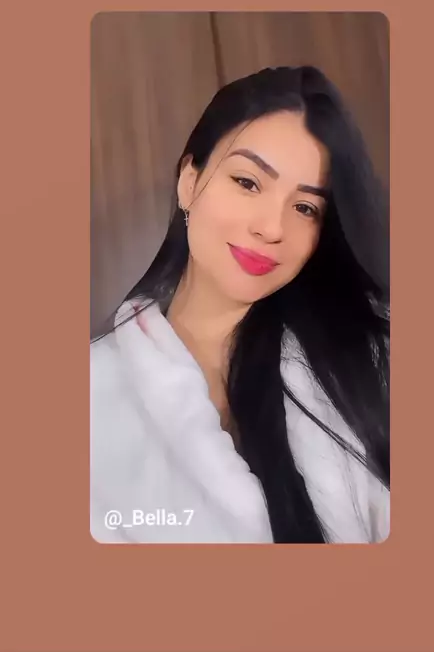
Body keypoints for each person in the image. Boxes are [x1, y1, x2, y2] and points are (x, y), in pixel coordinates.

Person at [90, 65, 390, 544]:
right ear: (189, 182)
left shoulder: (365, 363)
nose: (272, 227)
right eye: (248, 182)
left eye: (305, 207)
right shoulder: (92, 398)